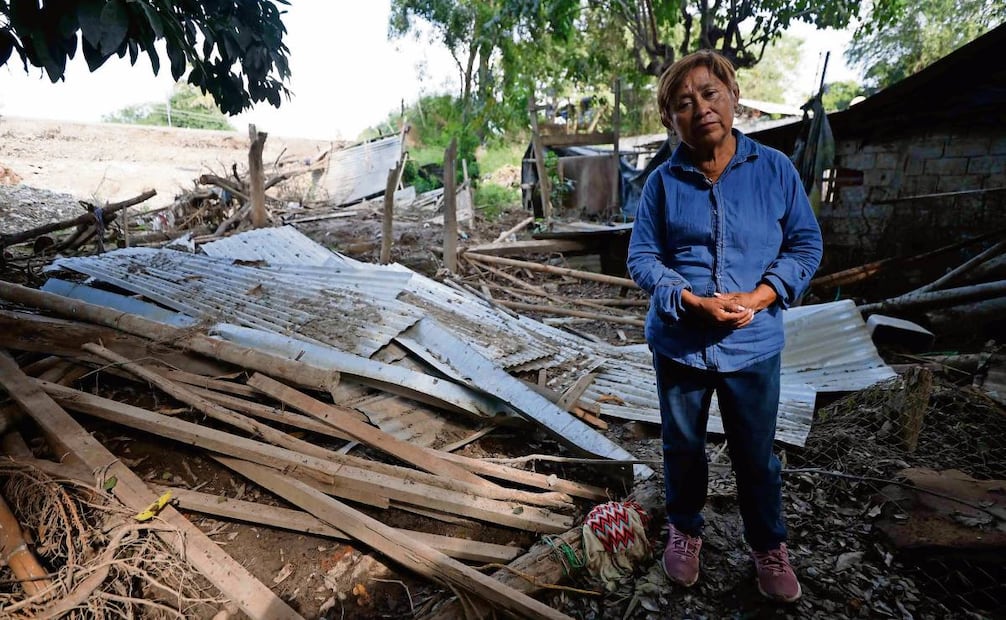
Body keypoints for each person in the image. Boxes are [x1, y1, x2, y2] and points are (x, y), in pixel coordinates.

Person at [626, 50, 823, 603]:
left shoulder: (775, 170)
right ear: (670, 121)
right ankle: (685, 530)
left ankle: (768, 544)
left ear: (733, 97)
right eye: (683, 103)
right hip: (681, 345)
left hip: (754, 344)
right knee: (683, 447)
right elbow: (642, 258)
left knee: (755, 453)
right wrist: (687, 298)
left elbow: (805, 245)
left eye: (710, 94)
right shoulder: (662, 185)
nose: (701, 108)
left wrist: (762, 296)